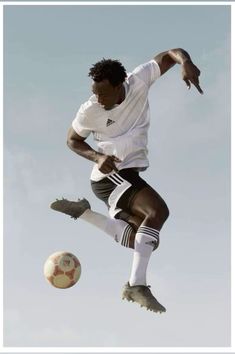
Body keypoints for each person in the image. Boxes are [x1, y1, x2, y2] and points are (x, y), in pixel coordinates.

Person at [50, 48, 203, 313]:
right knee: (157, 212)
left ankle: (84, 213)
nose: (98, 98)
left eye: (103, 93)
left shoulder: (138, 80)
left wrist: (186, 62)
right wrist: (96, 156)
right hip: (110, 176)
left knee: (141, 239)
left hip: (127, 175)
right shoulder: (89, 110)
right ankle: (136, 285)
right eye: (94, 92)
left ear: (120, 85)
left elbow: (169, 55)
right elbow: (72, 140)